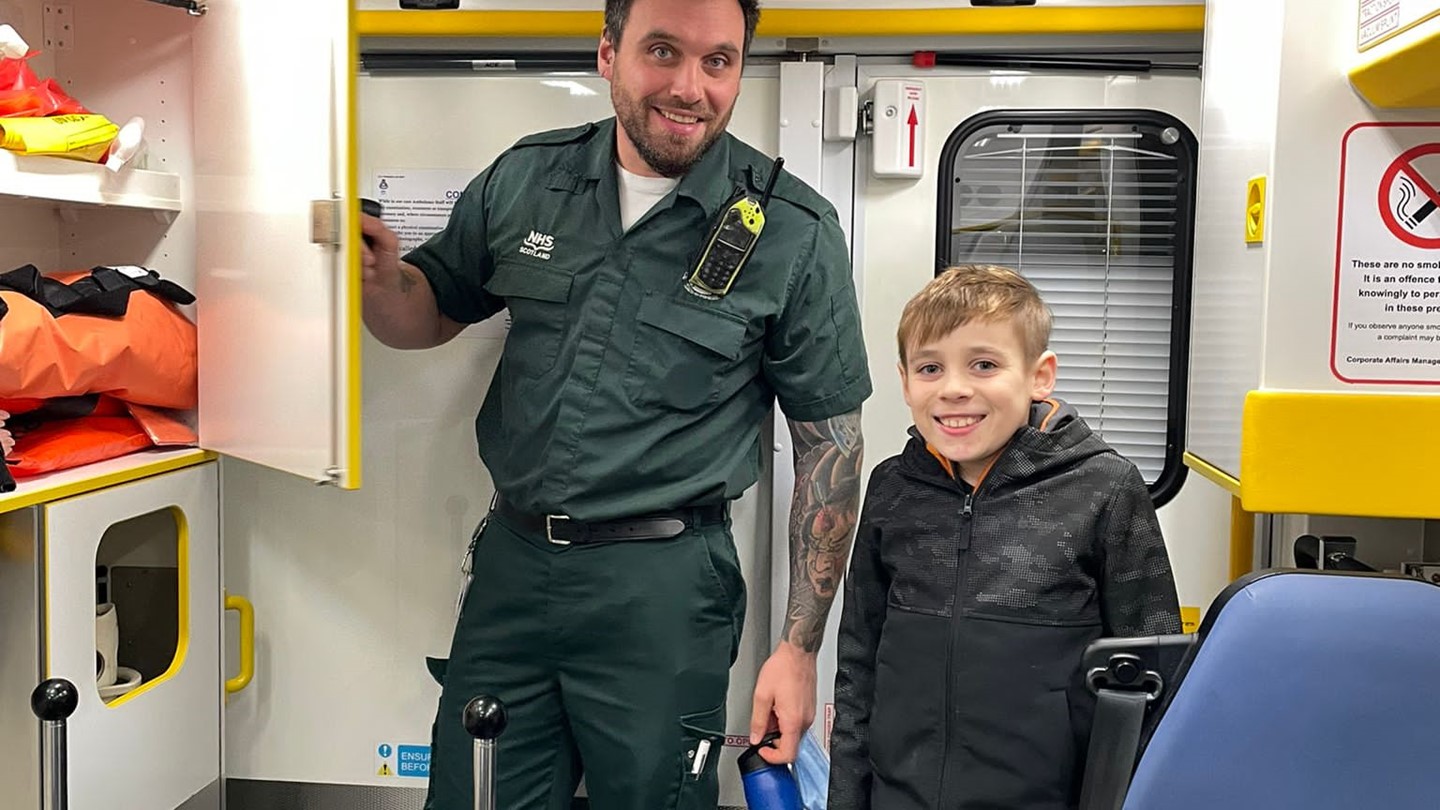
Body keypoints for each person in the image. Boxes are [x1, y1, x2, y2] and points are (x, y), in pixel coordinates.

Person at [359, 0, 871, 806]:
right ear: (607, 53)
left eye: (718, 61)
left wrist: (798, 650)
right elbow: (427, 311)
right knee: (476, 793)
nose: (691, 86)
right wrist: (380, 280)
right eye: (662, 51)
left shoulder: (793, 230)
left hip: (664, 587)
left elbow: (831, 449)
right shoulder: (526, 178)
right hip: (514, 568)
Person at [828, 265, 1180, 810]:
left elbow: (1154, 683)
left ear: (1040, 376)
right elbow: (858, 665)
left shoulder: (1104, 488)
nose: (954, 389)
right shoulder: (892, 490)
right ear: (904, 381)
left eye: (985, 364)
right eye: (929, 368)